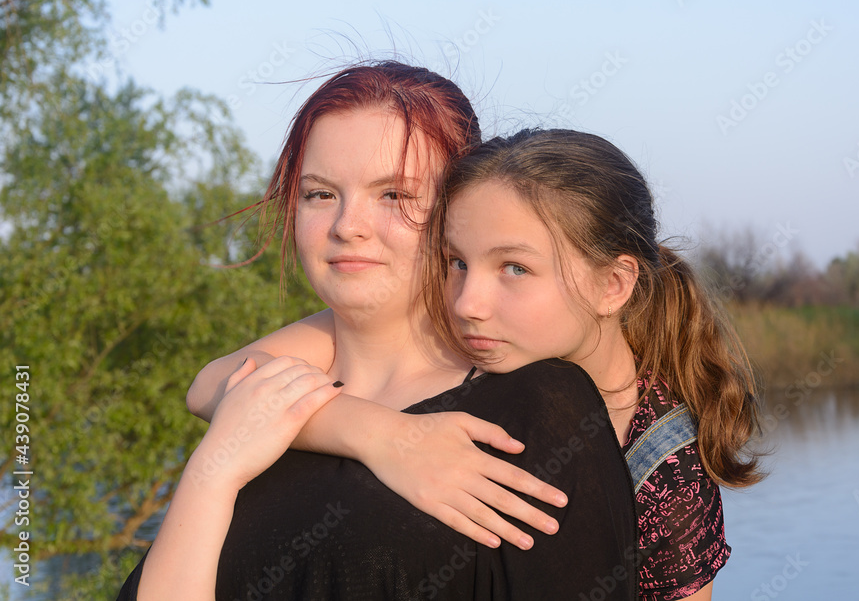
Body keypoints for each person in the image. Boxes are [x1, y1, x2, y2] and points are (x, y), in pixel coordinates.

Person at [117, 62, 637, 600]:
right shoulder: (258, 410)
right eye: (320, 194)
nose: (347, 225)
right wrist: (211, 477)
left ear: (460, 208)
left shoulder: (536, 409)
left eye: (392, 195)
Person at [188, 124, 765, 599]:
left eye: (514, 268)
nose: (468, 303)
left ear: (612, 284)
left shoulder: (661, 459)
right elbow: (216, 383)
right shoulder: (457, 335)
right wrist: (380, 435)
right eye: (455, 262)